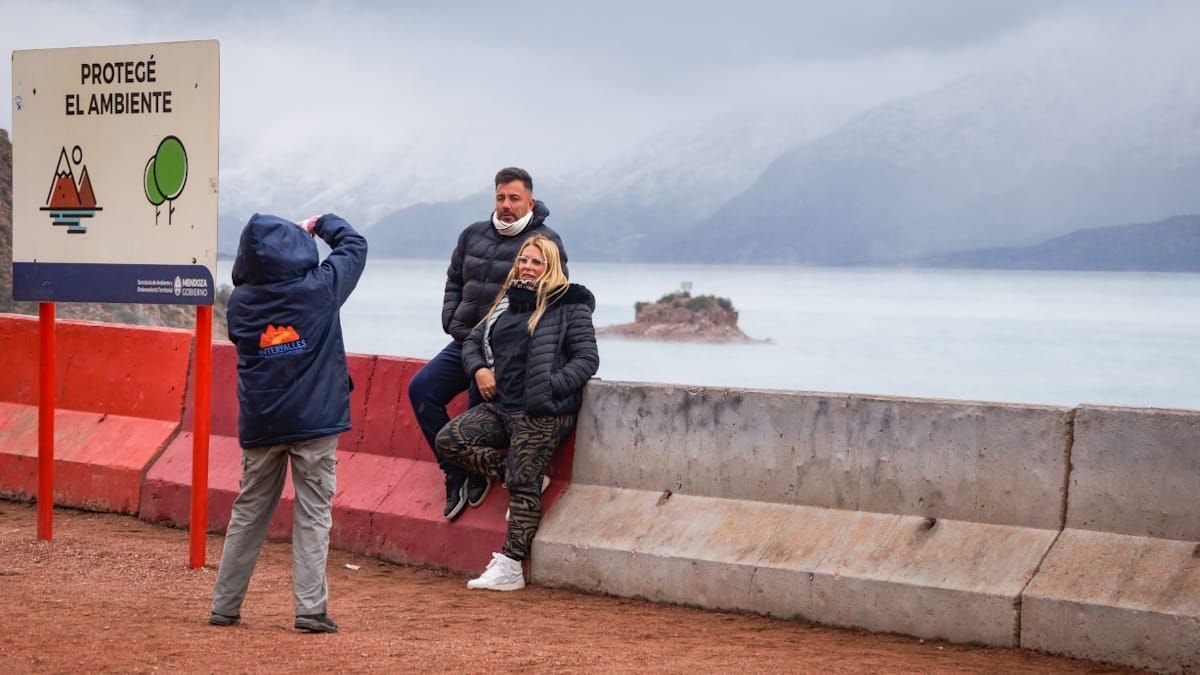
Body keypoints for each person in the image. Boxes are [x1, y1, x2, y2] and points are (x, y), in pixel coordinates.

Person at [209, 212, 367, 633]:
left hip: (261, 422)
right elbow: (355, 246)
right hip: (315, 422)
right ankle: (310, 610)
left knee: (248, 511)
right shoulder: (319, 290)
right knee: (313, 513)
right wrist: (322, 223)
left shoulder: (240, 304)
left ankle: (225, 606)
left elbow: (244, 342)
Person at [435, 234, 598, 591]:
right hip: (502, 406)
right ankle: (515, 474)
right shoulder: (506, 302)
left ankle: (510, 566)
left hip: (543, 412)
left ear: (551, 267)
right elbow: (474, 340)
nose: (527, 266)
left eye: (536, 262)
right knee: (449, 440)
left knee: (523, 486)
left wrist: (546, 387)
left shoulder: (569, 306)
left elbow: (587, 360)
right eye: (524, 260)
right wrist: (479, 369)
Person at [409, 167, 568, 521]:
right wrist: (452, 319)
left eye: (514, 198)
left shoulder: (545, 242)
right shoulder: (473, 235)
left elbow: (555, 299)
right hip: (465, 341)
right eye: (500, 197)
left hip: (504, 353)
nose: (506, 205)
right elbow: (453, 279)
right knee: (421, 389)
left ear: (530, 201)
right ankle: (455, 471)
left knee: (475, 409)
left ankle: (479, 470)